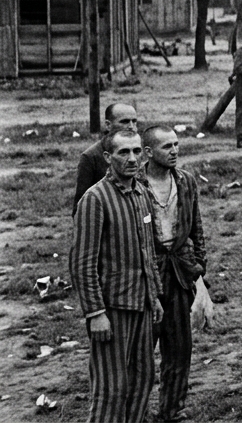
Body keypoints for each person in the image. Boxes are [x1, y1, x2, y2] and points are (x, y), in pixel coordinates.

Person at [71, 129, 163, 423]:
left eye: (137, 151)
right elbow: (83, 263)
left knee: (142, 380)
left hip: (142, 305)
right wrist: (96, 313)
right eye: (124, 152)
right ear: (108, 157)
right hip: (113, 309)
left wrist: (154, 296)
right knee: (112, 388)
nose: (132, 159)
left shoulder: (142, 193)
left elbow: (148, 252)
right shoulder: (95, 199)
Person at [142, 125, 206, 423]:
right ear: (148, 152)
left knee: (179, 347)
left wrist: (199, 267)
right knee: (141, 349)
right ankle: (135, 411)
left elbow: (196, 227)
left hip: (180, 271)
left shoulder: (185, 181)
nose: (174, 151)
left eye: (176, 144)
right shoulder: (135, 184)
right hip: (147, 274)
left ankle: (172, 409)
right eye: (166, 146)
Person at [74, 102, 140, 212]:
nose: (131, 127)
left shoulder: (140, 151)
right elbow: (81, 206)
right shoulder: (91, 157)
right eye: (124, 122)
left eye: (134, 121)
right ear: (108, 125)